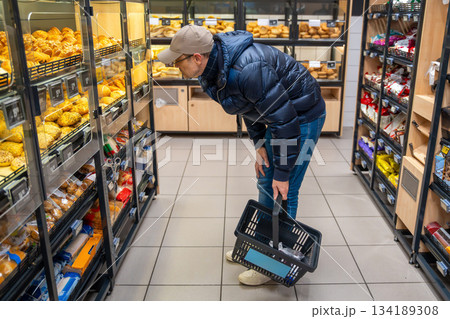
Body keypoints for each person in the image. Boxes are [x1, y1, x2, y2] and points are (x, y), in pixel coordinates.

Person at [158, 25, 326, 286]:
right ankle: (258, 245)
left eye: (177, 62)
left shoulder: (247, 69)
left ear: (197, 57)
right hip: (282, 117)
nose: (175, 67)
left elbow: (286, 123)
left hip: (302, 116)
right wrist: (259, 144)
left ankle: (272, 262)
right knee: (264, 180)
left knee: (285, 188)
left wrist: (282, 173)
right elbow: (248, 106)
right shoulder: (211, 71)